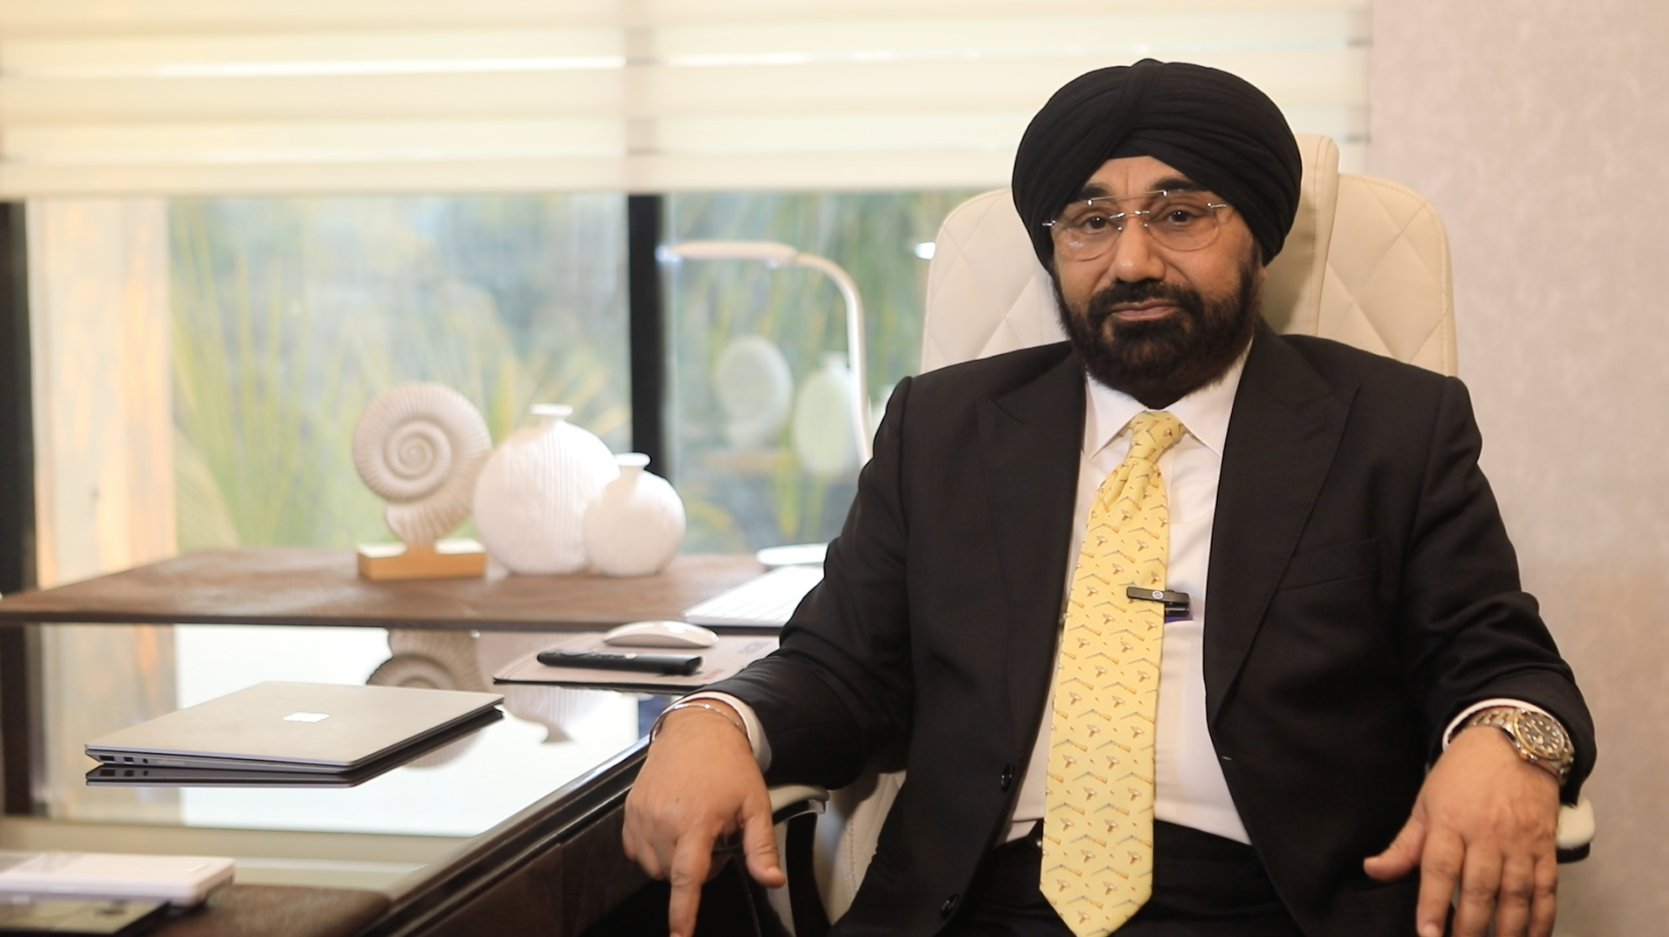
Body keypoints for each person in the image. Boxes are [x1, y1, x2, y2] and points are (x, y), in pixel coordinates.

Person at [623, 60, 1594, 937]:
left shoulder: (1391, 427)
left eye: (1179, 214)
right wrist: (714, 719)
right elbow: (839, 667)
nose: (1131, 262)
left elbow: (1498, 659)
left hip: (1273, 902)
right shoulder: (943, 426)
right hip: (979, 901)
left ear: (1256, 238)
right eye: (1090, 222)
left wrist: (1507, 741)